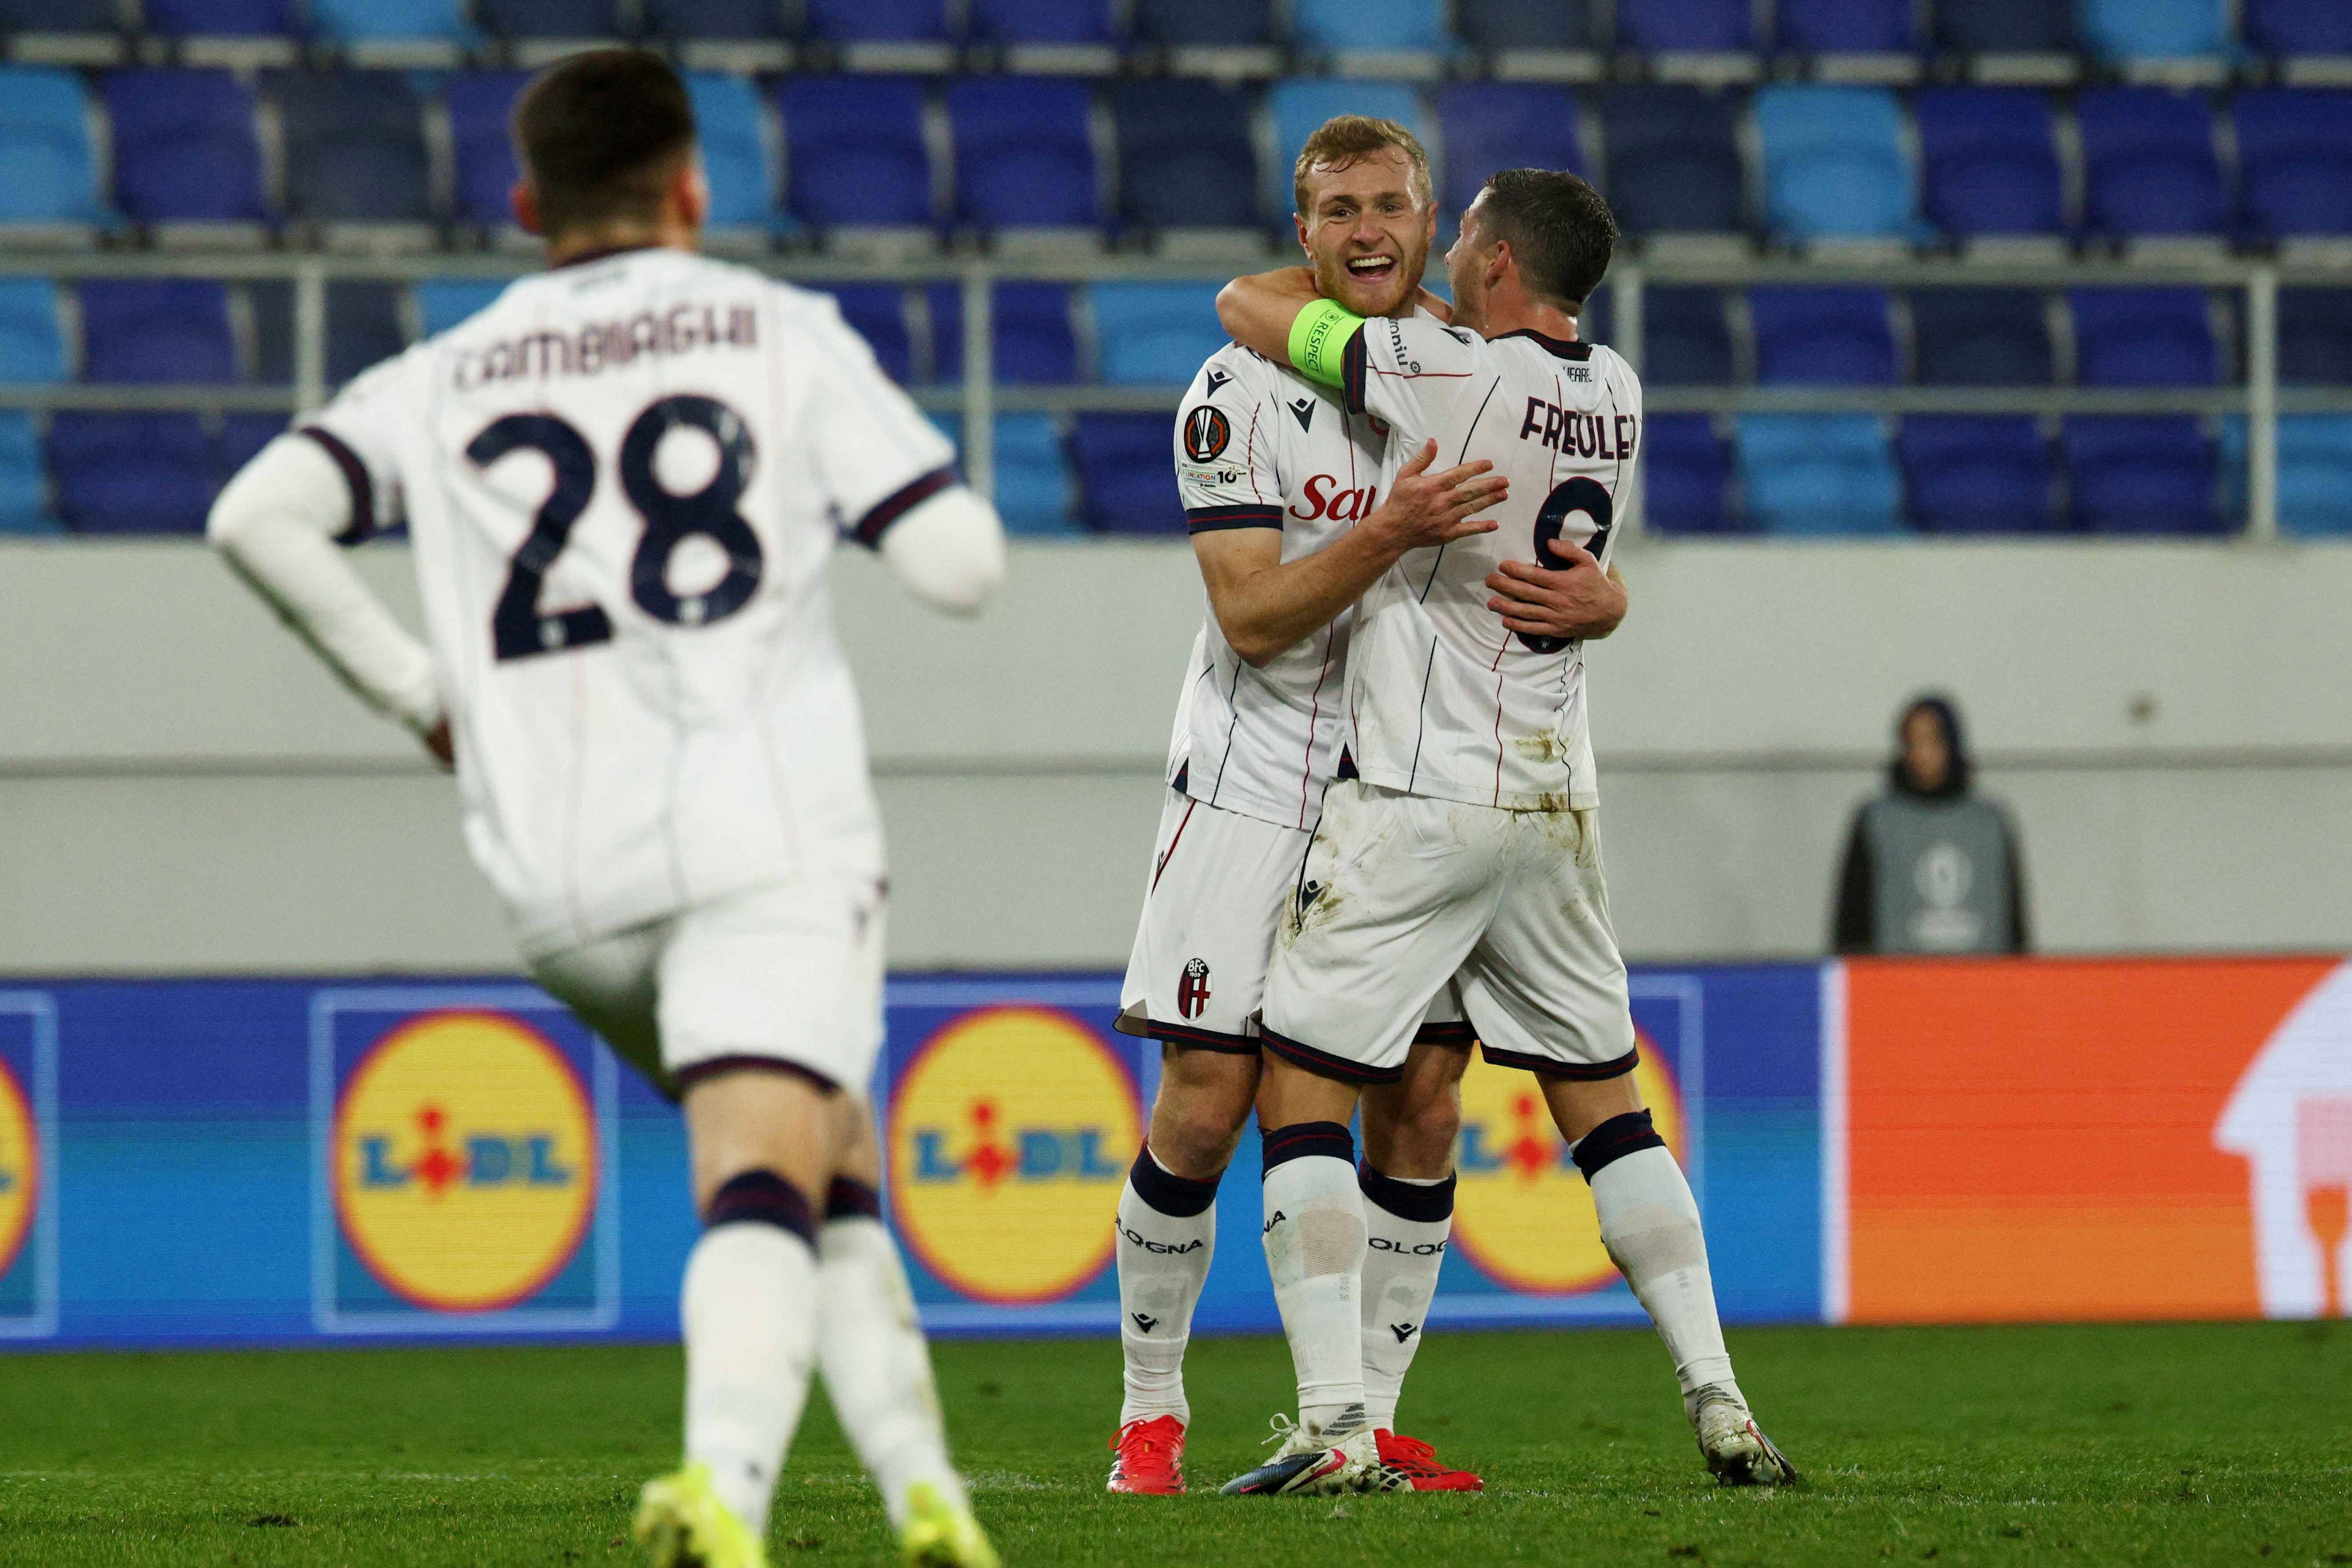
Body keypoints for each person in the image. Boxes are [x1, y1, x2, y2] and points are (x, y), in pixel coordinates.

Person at [206, 50, 1002, 1568]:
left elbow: (254, 512)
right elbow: (960, 565)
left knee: (822, 1146)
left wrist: (420, 694)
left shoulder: (445, 374)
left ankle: (928, 1496)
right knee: (763, 1164)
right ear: (693, 188)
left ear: (524, 203)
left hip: (557, 882)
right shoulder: (777, 330)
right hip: (760, 835)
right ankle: (721, 1491)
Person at [1211, 168, 1798, 1495]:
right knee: (1609, 1111)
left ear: (1486, 263)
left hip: (1422, 794)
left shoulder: (1432, 369)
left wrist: (1380, 296)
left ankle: (1334, 1427)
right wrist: (1617, 601)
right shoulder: (1623, 392)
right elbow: (1579, 557)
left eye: (1455, 234)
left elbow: (1247, 305)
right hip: (1555, 800)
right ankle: (1723, 1405)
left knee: (1303, 1091)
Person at [1108, 117, 1629, 1499]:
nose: (1367, 232)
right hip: (1252, 784)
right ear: (1305, 234)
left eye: (1390, 204)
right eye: (1336, 210)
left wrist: (1612, 597)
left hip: (1408, 792)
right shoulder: (1231, 393)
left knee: (1422, 1101)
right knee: (1209, 1103)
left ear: (1431, 215)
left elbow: (1576, 528)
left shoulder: (1470, 372)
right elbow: (1251, 617)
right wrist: (1389, 529)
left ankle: (1362, 1417)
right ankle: (1149, 1416)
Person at [1833, 694, 2030, 955]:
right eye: (1912, 743)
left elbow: (2013, 918)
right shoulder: (1877, 822)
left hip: (1980, 985)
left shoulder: (1989, 823)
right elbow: (1852, 918)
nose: (1922, 753)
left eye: (1932, 740)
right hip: (1897, 985)